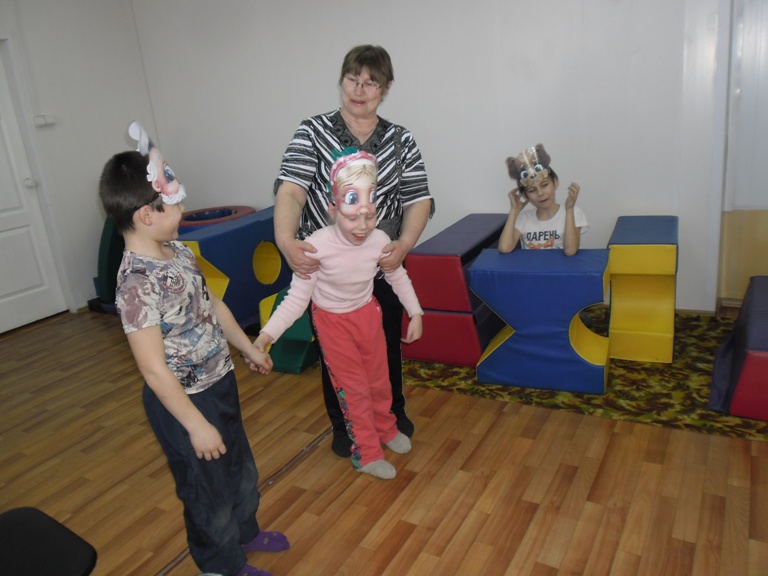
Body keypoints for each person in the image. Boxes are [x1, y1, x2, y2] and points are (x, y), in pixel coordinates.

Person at [100, 122, 289, 576]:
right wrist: (196, 426)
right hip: (183, 404)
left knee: (239, 470)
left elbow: (213, 304)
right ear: (146, 215)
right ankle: (220, 564)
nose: (183, 208)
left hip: (219, 382)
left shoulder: (178, 251)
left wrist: (247, 348)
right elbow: (153, 371)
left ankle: (244, 532)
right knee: (207, 491)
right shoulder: (136, 284)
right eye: (175, 204)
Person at [272, 45, 434, 458]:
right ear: (341, 81)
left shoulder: (400, 139)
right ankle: (346, 425)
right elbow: (291, 191)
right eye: (352, 80)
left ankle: (390, 416)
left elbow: (419, 199)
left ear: (386, 88)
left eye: (371, 83)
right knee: (338, 357)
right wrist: (286, 242)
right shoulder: (313, 131)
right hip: (327, 272)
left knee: (384, 350)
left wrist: (404, 246)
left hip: (383, 263)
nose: (359, 90)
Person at [257, 150, 423, 480]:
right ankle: (367, 453)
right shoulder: (316, 247)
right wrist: (266, 336)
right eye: (352, 218)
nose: (362, 227)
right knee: (355, 389)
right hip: (333, 324)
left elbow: (396, 275)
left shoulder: (379, 239)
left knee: (380, 380)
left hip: (368, 316)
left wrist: (415, 312)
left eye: (369, 217)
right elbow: (296, 299)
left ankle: (386, 428)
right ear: (333, 210)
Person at [498, 143, 588, 256]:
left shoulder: (574, 213)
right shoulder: (523, 218)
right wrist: (514, 210)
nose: (540, 193)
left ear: (555, 183)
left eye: (544, 185)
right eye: (532, 190)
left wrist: (569, 209)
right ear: (525, 195)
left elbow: (570, 251)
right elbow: (504, 248)